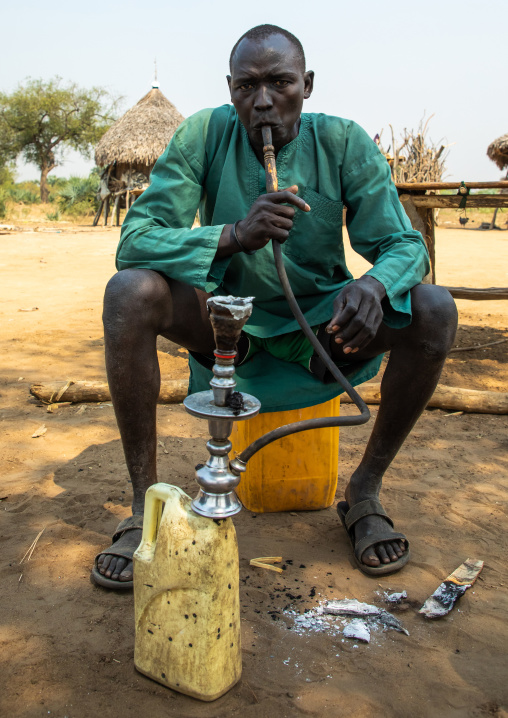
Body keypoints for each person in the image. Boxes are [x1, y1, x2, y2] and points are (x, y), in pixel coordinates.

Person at [91, 24, 457, 589]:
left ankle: (364, 492)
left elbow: (404, 246)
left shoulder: (343, 141)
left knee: (433, 308)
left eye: (280, 83)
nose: (263, 102)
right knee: (129, 292)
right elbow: (135, 239)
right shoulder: (202, 135)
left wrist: (376, 286)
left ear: (306, 85)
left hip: (323, 331)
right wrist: (234, 234)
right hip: (221, 324)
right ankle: (144, 510)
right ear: (230, 88)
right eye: (247, 86)